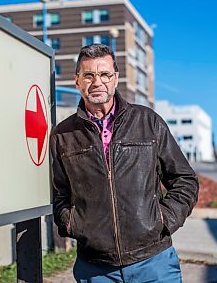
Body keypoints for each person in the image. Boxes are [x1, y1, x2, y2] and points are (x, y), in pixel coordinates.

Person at [50, 44, 199, 282]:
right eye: (88, 75)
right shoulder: (63, 135)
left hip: (154, 261)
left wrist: (164, 220)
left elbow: (184, 179)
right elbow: (59, 192)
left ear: (115, 78)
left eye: (104, 74)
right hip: (96, 269)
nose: (97, 82)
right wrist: (71, 223)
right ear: (77, 81)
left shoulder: (147, 122)